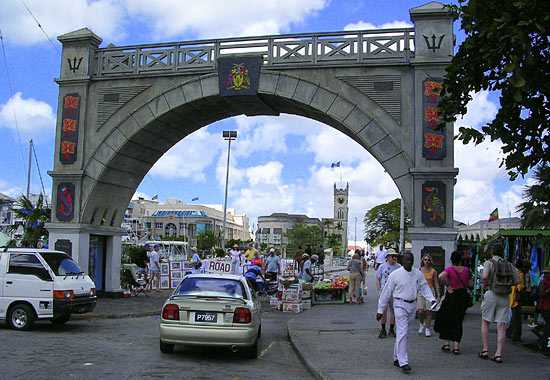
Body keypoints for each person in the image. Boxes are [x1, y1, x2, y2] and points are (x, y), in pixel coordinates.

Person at [377, 251, 435, 373]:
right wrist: (380, 309)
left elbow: (424, 287)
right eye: (406, 260)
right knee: (402, 331)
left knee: (404, 333)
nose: (409, 262)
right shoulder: (395, 275)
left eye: (411, 260)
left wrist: (431, 299)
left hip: (412, 304)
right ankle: (403, 362)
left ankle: (396, 357)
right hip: (399, 304)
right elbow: (387, 292)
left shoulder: (417, 273)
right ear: (402, 261)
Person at [479, 243, 520, 363]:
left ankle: (485, 350)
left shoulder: (489, 263)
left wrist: (484, 285)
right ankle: (498, 354)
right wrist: (507, 284)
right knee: (501, 325)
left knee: (485, 321)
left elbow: (485, 276)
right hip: (505, 296)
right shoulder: (508, 264)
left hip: (491, 293)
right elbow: (517, 280)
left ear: (492, 252)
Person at [434, 251, 472, 354]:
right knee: (458, 320)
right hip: (462, 295)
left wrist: (448, 285)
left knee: (448, 319)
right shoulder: (466, 270)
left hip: (452, 295)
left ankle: (447, 343)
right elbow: (470, 284)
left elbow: (440, 276)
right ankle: (456, 346)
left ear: (451, 260)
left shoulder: (450, 270)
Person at [376, 249, 401, 338]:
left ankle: (391, 328)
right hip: (384, 290)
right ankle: (383, 329)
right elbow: (378, 278)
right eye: (392, 256)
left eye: (395, 256)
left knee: (393, 310)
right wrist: (379, 289)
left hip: (395, 292)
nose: (394, 258)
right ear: (387, 257)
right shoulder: (382, 267)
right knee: (384, 309)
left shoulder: (399, 267)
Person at [417, 254, 441, 337]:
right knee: (420, 311)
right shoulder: (419, 270)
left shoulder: (433, 271)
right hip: (421, 291)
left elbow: (436, 283)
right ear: (422, 261)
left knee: (428, 311)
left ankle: (427, 328)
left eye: (428, 260)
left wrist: (438, 295)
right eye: (425, 260)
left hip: (430, 290)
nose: (427, 261)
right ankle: (421, 323)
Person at [507, 260, 529, 342]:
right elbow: (520, 288)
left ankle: (508, 333)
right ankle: (516, 336)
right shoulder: (521, 275)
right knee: (517, 320)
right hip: (516, 299)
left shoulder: (515, 272)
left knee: (514, 318)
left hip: (512, 297)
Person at [535, 266, 550, 353]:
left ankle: (542, 342)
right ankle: (542, 342)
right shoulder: (543, 282)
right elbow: (541, 294)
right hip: (545, 307)